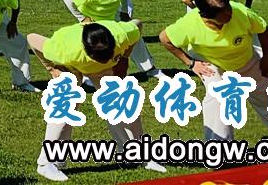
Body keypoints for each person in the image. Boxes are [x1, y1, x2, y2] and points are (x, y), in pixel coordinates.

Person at [158, 0, 268, 142]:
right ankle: (218, 148)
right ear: (207, 17)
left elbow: (262, 30)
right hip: (213, 65)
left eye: (228, 7)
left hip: (246, 60)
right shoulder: (189, 25)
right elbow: (165, 39)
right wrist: (191, 63)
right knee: (218, 98)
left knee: (267, 96)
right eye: (224, 14)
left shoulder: (241, 12)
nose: (230, 13)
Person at [28, 22, 167, 182]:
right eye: (98, 56)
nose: (103, 58)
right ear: (86, 50)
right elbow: (32, 38)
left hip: (103, 71)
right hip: (71, 67)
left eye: (107, 54)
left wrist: (125, 57)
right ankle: (47, 163)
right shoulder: (64, 50)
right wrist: (51, 69)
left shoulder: (121, 34)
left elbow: (138, 25)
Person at [62, 0, 159, 79]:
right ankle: (90, 77)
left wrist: (124, 12)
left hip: (113, 19)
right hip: (96, 24)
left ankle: (149, 69)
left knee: (134, 32)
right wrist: (82, 18)